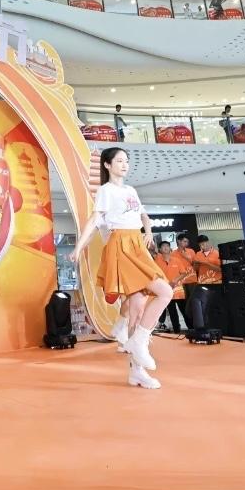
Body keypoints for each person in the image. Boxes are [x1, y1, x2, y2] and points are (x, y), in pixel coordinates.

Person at [70, 147, 172, 389]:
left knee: (139, 307)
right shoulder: (106, 190)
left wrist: (148, 232)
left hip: (137, 244)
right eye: (119, 161)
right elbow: (94, 221)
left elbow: (143, 215)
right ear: (107, 165)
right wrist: (78, 247)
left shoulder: (131, 190)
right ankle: (139, 342)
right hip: (121, 245)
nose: (125, 164)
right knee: (162, 293)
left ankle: (137, 370)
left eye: (127, 161)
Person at [153, 241, 190, 334]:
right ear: (160, 249)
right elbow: (155, 275)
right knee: (172, 313)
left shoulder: (176, 260)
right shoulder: (157, 262)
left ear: (170, 248)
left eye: (167, 246)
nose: (165, 248)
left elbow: (184, 273)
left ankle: (191, 329)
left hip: (179, 291)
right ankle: (176, 331)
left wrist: (176, 280)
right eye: (163, 246)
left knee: (185, 311)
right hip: (166, 291)